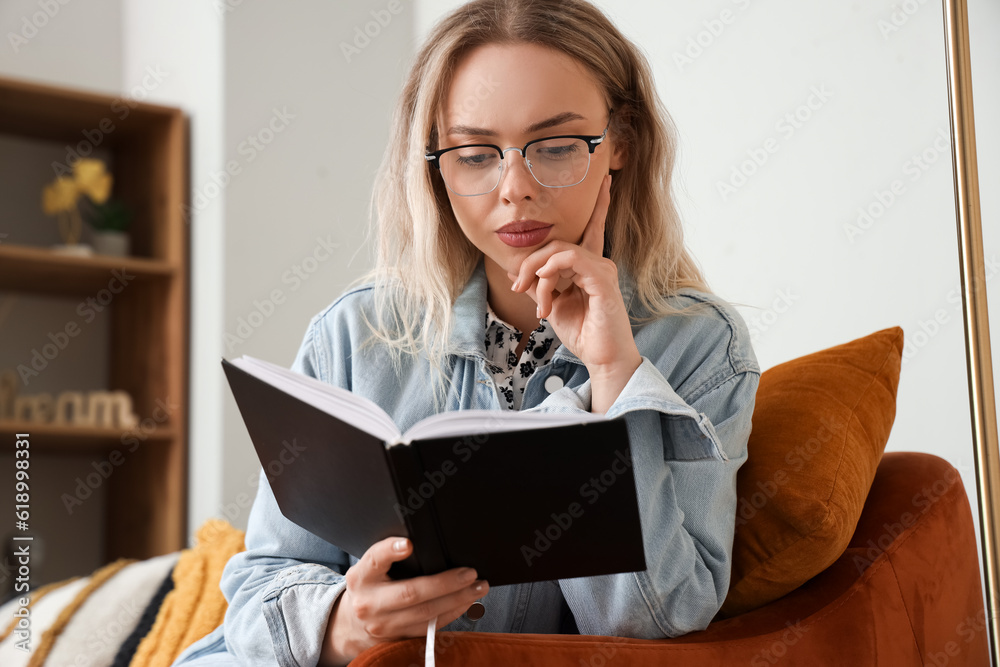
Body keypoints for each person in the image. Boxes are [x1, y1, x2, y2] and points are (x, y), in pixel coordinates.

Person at [172, 0, 759, 665]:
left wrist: (612, 375)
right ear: (435, 166)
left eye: (559, 146)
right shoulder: (355, 332)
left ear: (619, 142)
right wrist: (346, 621)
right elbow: (259, 586)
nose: (514, 189)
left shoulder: (703, 346)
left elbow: (657, 621)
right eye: (476, 154)